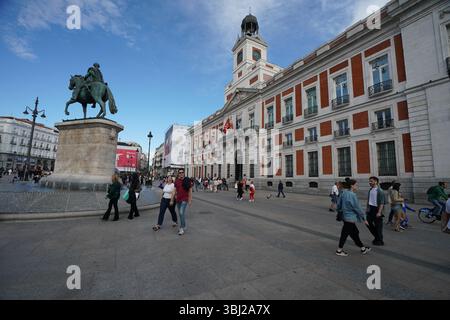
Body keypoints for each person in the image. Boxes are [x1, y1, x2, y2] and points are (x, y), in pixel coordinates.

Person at [336, 179, 371, 256]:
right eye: (356, 185)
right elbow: (357, 208)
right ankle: (339, 250)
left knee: (355, 233)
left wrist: (339, 211)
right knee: (345, 234)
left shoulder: (344, 193)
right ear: (352, 186)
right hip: (350, 218)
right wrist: (364, 218)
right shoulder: (352, 195)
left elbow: (338, 204)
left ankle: (362, 248)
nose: (357, 186)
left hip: (345, 216)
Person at [366, 176, 386, 246]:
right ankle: (377, 237)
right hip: (370, 209)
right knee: (367, 223)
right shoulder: (370, 190)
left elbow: (382, 203)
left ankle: (380, 240)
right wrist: (367, 209)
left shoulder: (380, 191)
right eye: (369, 181)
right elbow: (369, 200)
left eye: (371, 181)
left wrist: (379, 212)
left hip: (377, 209)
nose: (370, 182)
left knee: (378, 226)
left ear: (376, 181)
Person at [174, 169, 192, 236]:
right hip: (178, 200)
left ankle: (181, 228)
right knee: (181, 214)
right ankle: (184, 225)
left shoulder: (187, 180)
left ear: (184, 173)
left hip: (185, 199)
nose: (181, 173)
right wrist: (174, 196)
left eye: (182, 172)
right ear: (178, 174)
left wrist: (190, 200)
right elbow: (175, 190)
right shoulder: (176, 181)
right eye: (180, 173)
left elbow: (190, 190)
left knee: (181, 212)